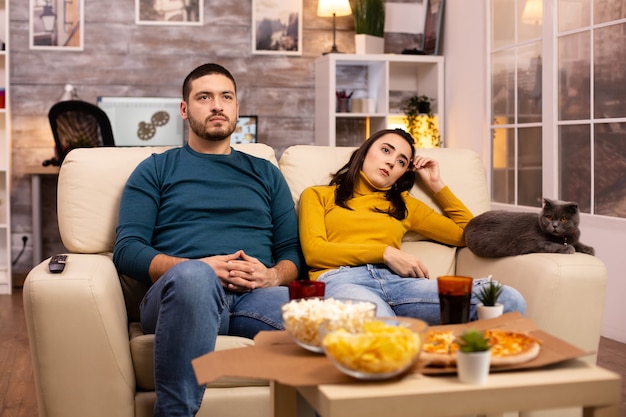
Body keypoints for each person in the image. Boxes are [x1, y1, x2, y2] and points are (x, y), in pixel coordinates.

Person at [113, 63, 302, 417]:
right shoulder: (156, 169)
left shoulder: (266, 173)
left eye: (226, 97)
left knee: (321, 318)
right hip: (182, 296)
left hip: (255, 298)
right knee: (196, 278)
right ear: (184, 110)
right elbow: (126, 251)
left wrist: (273, 276)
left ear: (236, 107)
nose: (217, 105)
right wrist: (196, 268)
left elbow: (291, 252)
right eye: (204, 97)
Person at [298, 128, 526, 325]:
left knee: (506, 299)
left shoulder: (405, 205)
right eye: (386, 150)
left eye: (401, 162)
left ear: (402, 173)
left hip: (400, 284)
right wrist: (385, 253)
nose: (391, 162)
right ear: (365, 151)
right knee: (383, 331)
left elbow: (469, 234)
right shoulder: (318, 195)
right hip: (342, 280)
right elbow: (314, 252)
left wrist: (437, 185)